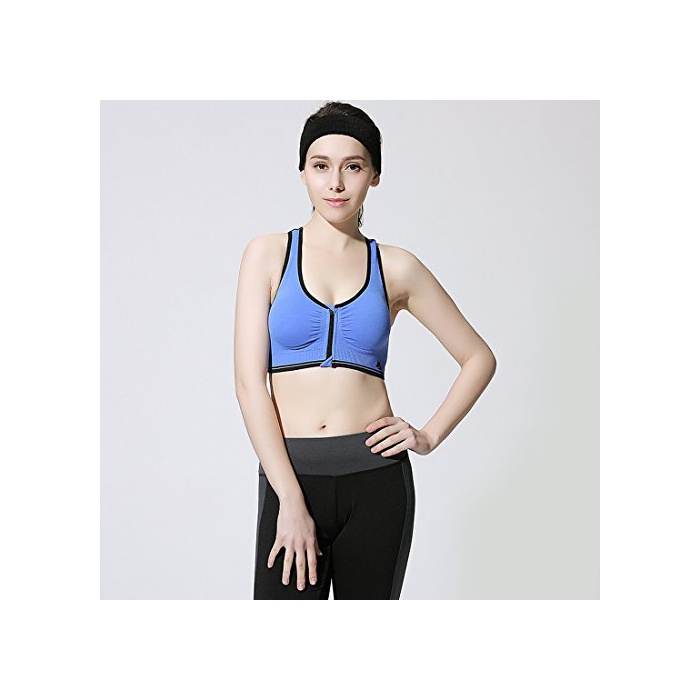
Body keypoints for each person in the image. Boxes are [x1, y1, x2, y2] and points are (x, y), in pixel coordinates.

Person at [234, 101, 497, 599]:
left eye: (352, 167)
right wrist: (290, 499)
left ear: (374, 175)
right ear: (303, 172)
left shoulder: (396, 267)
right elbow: (250, 385)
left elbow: (478, 357)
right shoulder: (267, 254)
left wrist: (428, 435)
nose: (335, 183)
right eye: (321, 166)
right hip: (293, 476)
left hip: (377, 480)